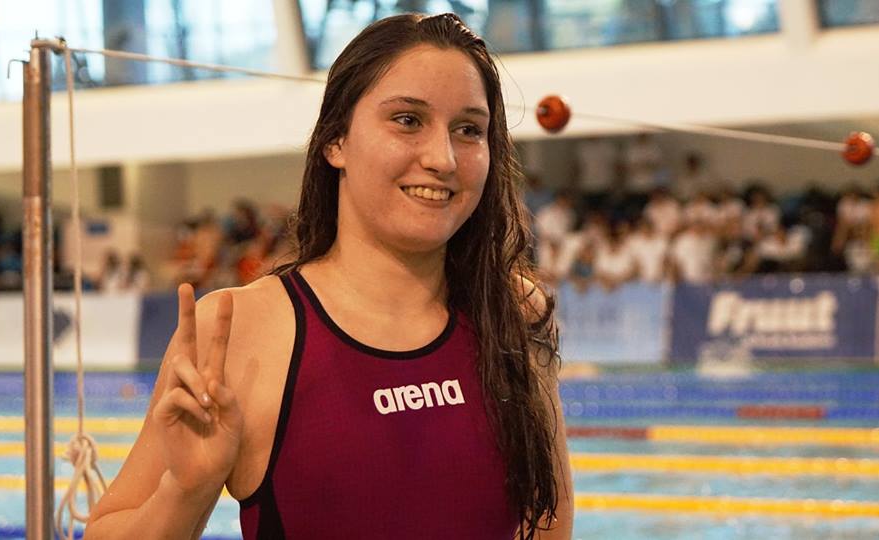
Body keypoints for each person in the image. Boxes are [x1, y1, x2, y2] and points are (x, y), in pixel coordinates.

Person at [86, 13, 571, 540]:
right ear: (335, 140)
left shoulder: (513, 311)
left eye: (469, 130)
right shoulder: (241, 328)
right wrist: (185, 490)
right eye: (407, 120)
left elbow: (549, 526)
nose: (443, 158)